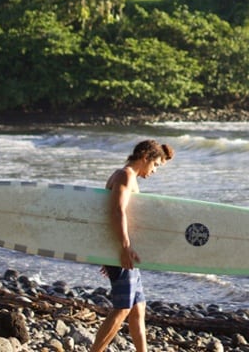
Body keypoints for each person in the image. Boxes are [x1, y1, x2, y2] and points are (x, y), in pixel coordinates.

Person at [90, 139, 174, 352]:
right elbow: (116, 212)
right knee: (122, 309)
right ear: (145, 157)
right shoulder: (125, 175)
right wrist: (123, 248)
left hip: (121, 250)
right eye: (155, 165)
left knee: (138, 308)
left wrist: (111, 253)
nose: (154, 171)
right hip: (123, 250)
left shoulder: (128, 176)